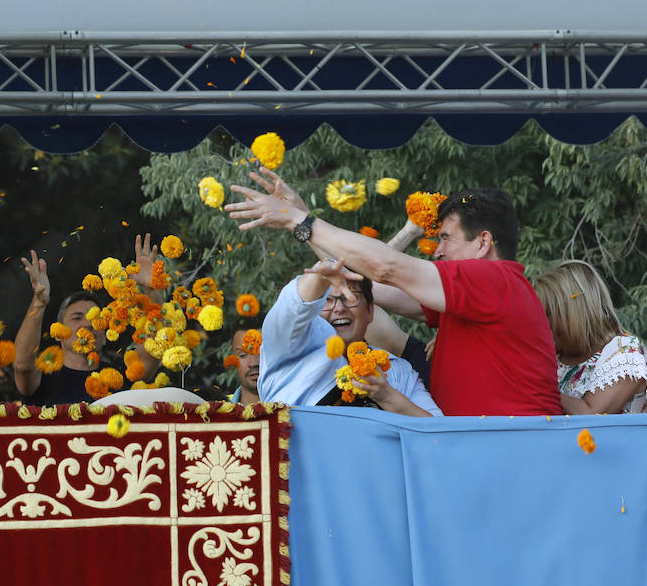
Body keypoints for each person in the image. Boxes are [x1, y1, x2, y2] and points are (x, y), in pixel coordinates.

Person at [228, 168, 559, 415]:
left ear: (484, 242)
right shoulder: (476, 296)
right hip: (486, 449)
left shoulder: (494, 279)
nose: (437, 251)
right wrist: (305, 226)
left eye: (446, 238)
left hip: (513, 449)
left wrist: (300, 220)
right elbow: (367, 284)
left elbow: (385, 267)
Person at [258, 259, 439, 416]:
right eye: (328, 300)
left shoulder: (398, 371)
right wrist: (322, 275)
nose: (339, 308)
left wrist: (387, 396)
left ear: (370, 311)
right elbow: (291, 307)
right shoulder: (287, 345)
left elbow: (438, 432)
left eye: (350, 296)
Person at [533, 260, 647, 414]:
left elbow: (591, 416)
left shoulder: (625, 352)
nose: (542, 324)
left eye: (548, 314)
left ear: (575, 310)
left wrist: (533, 386)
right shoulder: (554, 358)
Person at [13, 251, 107, 405]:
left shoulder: (122, 374)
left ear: (104, 336)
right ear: (58, 334)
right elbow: (22, 364)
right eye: (77, 318)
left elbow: (150, 359)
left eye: (95, 318)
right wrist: (38, 303)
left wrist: (151, 289)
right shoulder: (44, 376)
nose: (88, 324)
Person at [227, 328, 261, 406]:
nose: (253, 363)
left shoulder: (291, 408)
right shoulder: (218, 411)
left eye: (260, 352)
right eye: (243, 355)